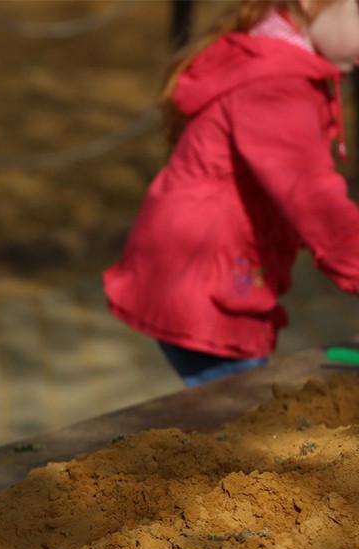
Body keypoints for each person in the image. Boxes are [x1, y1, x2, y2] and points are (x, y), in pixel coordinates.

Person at [103, 0, 359, 387]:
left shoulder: (276, 62)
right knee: (240, 422)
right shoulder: (275, 86)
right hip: (206, 286)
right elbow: (315, 204)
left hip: (214, 276)